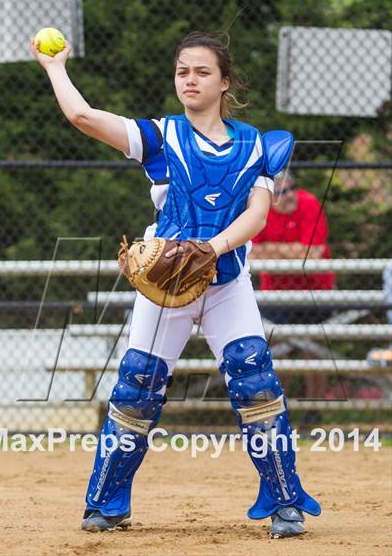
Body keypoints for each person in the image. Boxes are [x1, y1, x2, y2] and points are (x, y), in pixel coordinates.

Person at [31, 31, 321, 539]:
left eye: (202, 71)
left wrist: (214, 247)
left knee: (255, 384)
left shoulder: (257, 144)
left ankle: (285, 502)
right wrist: (54, 68)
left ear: (224, 81)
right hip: (165, 287)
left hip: (226, 281)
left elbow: (256, 216)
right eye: (182, 71)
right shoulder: (162, 137)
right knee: (137, 388)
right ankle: (105, 503)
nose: (190, 79)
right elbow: (83, 118)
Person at [251, 171, 336, 292]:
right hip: (275, 291)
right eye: (282, 192)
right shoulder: (260, 211)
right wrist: (296, 252)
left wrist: (269, 249)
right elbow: (251, 253)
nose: (290, 195)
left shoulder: (309, 203)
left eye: (292, 188)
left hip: (316, 289)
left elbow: (312, 254)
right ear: (268, 197)